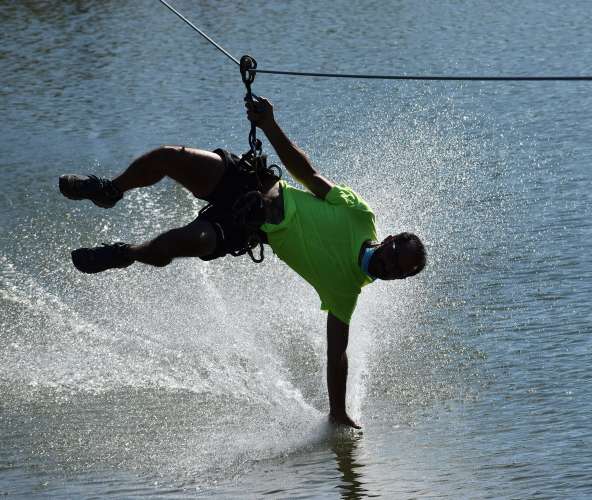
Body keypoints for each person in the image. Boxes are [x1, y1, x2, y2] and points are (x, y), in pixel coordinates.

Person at [59, 97, 427, 429]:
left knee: (180, 243)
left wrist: (338, 412)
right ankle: (110, 191)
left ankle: (126, 254)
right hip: (253, 184)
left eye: (400, 273)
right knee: (168, 156)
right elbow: (306, 172)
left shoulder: (345, 292)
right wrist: (268, 124)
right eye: (397, 260)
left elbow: (337, 355)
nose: (392, 271)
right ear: (391, 240)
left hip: (247, 226)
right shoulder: (359, 215)